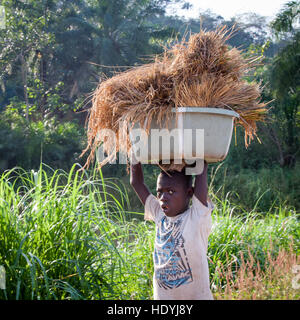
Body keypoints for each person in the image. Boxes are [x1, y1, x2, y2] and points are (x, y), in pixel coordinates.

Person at [130, 158, 214, 300]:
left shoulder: (197, 217)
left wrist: (200, 150)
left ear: (189, 193)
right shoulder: (159, 215)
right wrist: (133, 151)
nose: (163, 198)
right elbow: (136, 183)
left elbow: (201, 168)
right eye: (160, 192)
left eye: (170, 191)